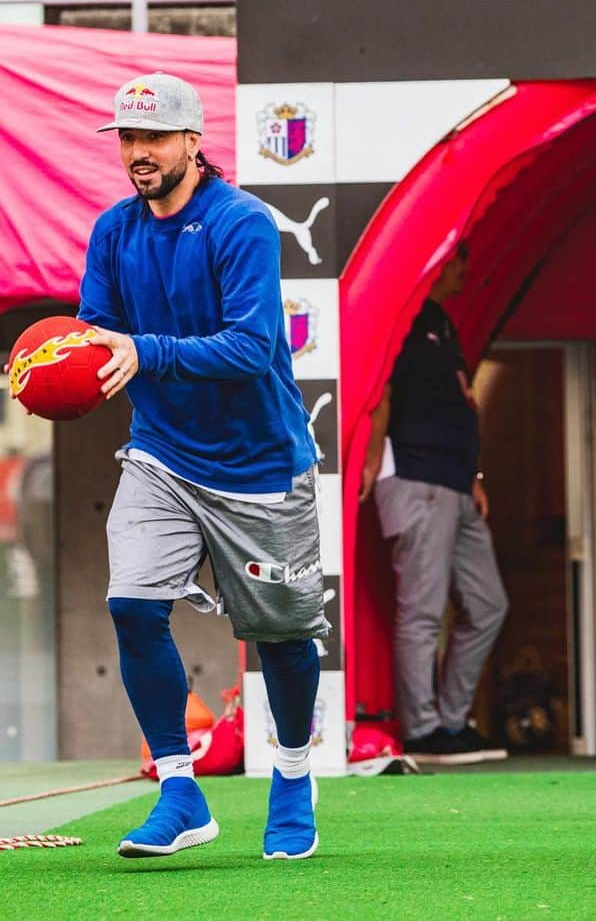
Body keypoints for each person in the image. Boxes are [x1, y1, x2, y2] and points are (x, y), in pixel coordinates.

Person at [78, 73, 326, 861]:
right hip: (160, 454)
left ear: (193, 140)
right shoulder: (113, 231)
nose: (138, 153)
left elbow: (253, 347)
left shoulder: (242, 222)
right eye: (127, 138)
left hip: (259, 465)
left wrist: (140, 351)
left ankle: (291, 773)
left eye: (153, 137)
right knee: (131, 605)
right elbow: (96, 338)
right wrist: (54, 366)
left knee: (282, 637)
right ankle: (180, 791)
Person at [360, 243, 509, 764]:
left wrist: (475, 474)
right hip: (415, 472)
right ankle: (423, 730)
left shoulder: (441, 322)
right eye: (458, 257)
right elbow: (378, 390)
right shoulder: (399, 313)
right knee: (422, 610)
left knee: (488, 603)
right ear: (435, 260)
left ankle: (450, 719)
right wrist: (372, 455)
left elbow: (460, 404)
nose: (465, 267)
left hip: (454, 477)